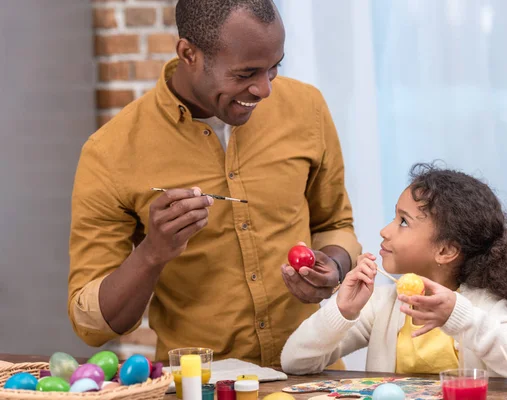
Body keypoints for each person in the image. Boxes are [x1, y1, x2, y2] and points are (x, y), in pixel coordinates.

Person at [68, 0, 361, 366]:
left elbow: (334, 225)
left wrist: (332, 267)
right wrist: (152, 253)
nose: (264, 90)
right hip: (201, 385)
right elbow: (92, 324)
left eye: (274, 68)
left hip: (315, 378)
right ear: (188, 53)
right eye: (245, 74)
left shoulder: (307, 107)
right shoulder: (110, 152)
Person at [281, 162, 507, 388]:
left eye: (403, 222)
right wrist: (342, 311)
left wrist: (460, 317)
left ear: (445, 250)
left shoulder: (479, 308)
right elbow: (295, 363)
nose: (385, 230)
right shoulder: (383, 304)